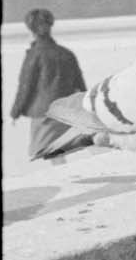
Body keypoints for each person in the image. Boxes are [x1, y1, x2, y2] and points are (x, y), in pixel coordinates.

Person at [10, 8, 87, 158]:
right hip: (66, 110)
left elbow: (26, 86)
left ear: (31, 30)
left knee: (41, 152)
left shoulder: (34, 54)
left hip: (43, 112)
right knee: (59, 151)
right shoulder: (67, 54)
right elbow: (81, 85)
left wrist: (15, 112)